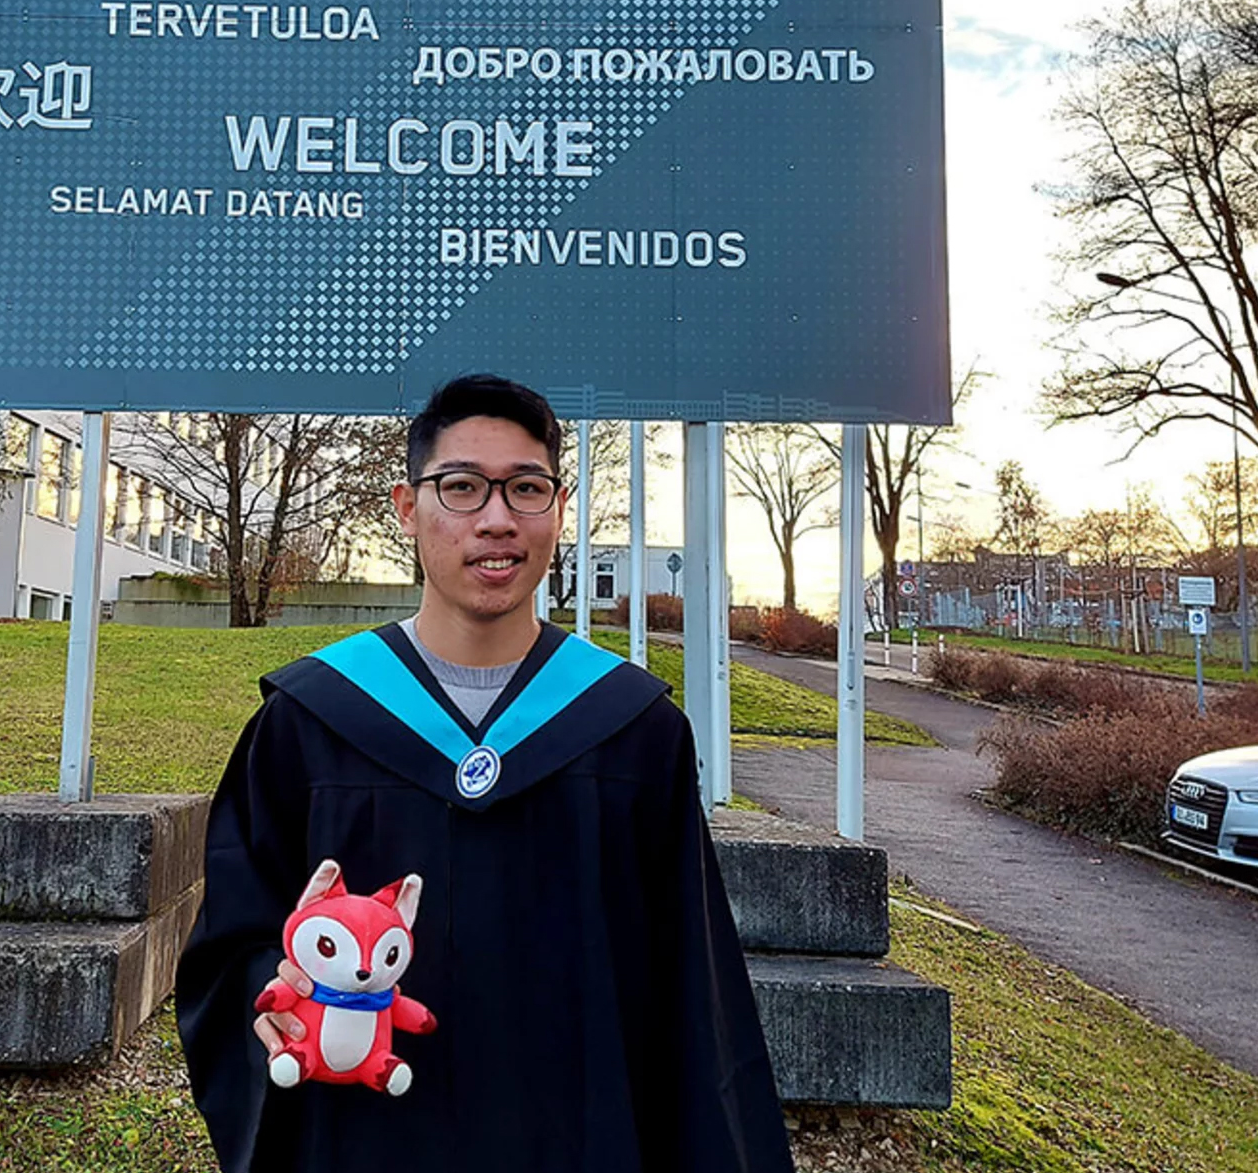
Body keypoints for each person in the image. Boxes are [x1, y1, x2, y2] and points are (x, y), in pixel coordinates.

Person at [176, 374, 794, 1173]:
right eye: (461, 488)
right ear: (407, 507)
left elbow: (694, 1000)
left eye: (526, 489)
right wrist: (274, 997)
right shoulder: (311, 721)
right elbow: (234, 943)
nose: (496, 519)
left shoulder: (635, 734)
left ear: (560, 507)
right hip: (363, 1137)